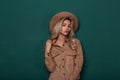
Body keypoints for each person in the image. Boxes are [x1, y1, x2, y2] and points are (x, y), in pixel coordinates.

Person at [44, 11, 83, 80]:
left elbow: (79, 63)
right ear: (58, 26)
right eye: (64, 25)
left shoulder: (76, 43)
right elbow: (51, 69)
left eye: (69, 26)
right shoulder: (51, 44)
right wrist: (47, 51)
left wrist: (73, 78)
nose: (67, 28)